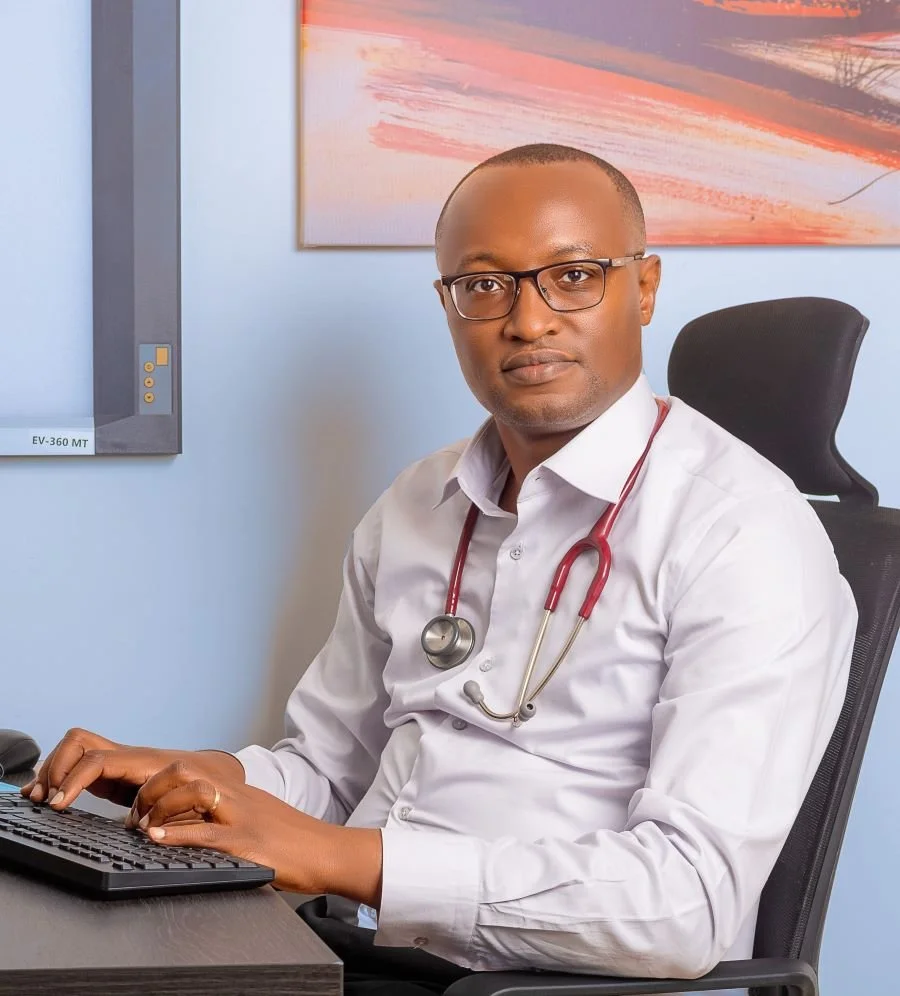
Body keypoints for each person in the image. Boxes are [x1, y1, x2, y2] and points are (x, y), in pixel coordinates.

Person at [22, 144, 856, 996]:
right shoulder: (419, 502)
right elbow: (332, 767)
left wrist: (351, 861)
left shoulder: (743, 532)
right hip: (358, 957)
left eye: (574, 276)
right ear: (448, 304)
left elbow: (686, 907)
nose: (528, 322)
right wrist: (209, 781)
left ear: (643, 288)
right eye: (485, 286)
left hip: (544, 986)